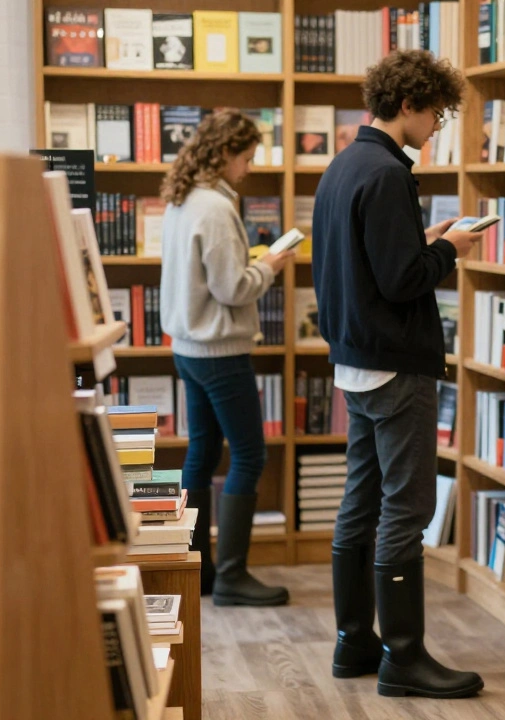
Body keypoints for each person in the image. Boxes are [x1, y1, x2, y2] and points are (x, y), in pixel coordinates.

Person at [311, 49, 486, 699]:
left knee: (361, 500)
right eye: (436, 113)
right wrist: (448, 250)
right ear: (408, 105)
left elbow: (365, 262)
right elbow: (402, 279)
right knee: (406, 508)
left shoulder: (344, 166)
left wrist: (424, 241)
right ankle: (405, 657)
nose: (438, 126)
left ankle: (353, 642)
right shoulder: (388, 172)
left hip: (354, 363)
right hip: (393, 366)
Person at [159, 109, 293, 607]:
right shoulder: (214, 209)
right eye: (246, 157)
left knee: (201, 453)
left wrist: (251, 266)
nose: (250, 168)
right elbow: (233, 287)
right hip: (219, 349)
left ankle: (202, 567)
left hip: (189, 347)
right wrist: (271, 265)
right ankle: (234, 575)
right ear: (224, 155)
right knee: (251, 454)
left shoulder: (182, 199)